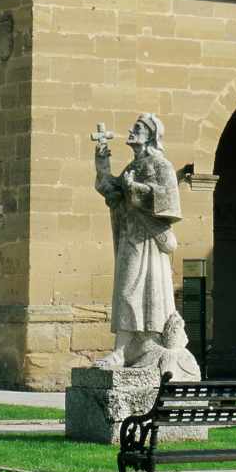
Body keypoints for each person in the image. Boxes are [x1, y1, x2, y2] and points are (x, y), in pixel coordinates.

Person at [92, 113, 184, 369]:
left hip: (148, 240)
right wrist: (102, 163)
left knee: (138, 291)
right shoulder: (132, 167)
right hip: (130, 237)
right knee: (126, 289)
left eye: (138, 128)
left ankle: (132, 348)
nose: (132, 131)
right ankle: (124, 350)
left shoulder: (161, 165)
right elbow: (113, 192)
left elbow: (169, 199)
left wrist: (135, 189)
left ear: (151, 135)